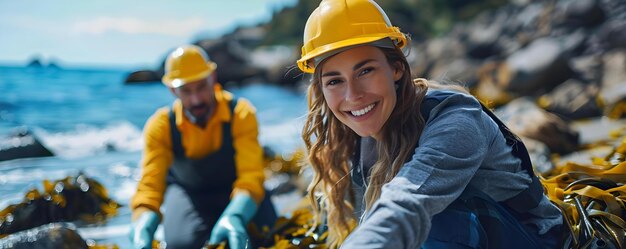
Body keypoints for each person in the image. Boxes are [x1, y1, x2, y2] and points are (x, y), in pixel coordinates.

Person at [297, 0, 564, 248]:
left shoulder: (457, 119)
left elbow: (410, 202)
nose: (352, 96)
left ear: (396, 69)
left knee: (438, 218)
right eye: (334, 81)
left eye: (365, 71)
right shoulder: (356, 141)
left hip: (535, 239)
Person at [129, 44, 276, 249]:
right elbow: (150, 185)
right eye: (186, 91)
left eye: (201, 87)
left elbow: (251, 176)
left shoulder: (241, 113)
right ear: (173, 90)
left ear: (213, 77)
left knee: (266, 236)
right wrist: (143, 225)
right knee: (181, 244)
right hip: (189, 195)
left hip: (238, 191)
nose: (196, 99)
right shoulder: (160, 125)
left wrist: (235, 215)